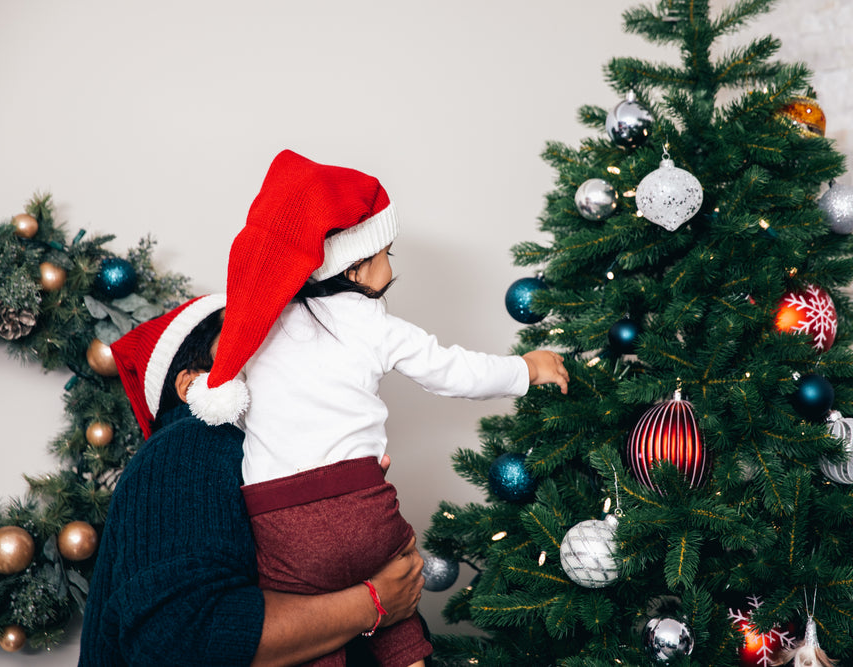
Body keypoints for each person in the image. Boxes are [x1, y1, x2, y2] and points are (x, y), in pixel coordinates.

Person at [185, 150, 570, 667]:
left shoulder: (259, 330)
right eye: (386, 251)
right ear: (356, 265)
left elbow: (236, 404)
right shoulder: (372, 324)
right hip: (360, 505)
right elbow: (453, 372)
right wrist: (527, 368)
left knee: (310, 626)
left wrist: (197, 388)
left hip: (279, 524)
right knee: (397, 600)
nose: (392, 265)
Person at [78, 293, 426, 667]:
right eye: (247, 338)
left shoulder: (284, 454)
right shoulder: (188, 443)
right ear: (192, 385)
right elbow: (182, 636)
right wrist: (374, 602)